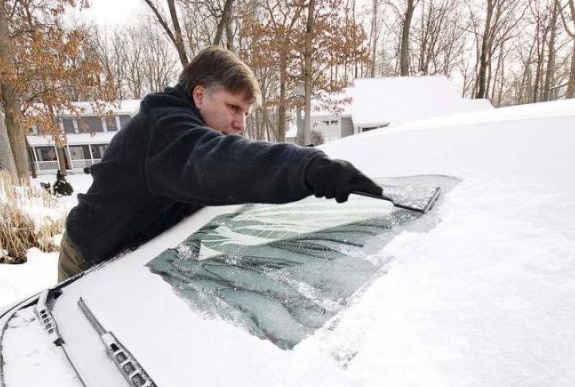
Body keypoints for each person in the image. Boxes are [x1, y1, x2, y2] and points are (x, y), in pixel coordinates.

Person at [58, 46, 382, 281]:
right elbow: (219, 162)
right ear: (199, 95)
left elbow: (227, 174)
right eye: (233, 107)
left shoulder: (179, 129)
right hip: (89, 258)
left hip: (129, 254)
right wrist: (308, 169)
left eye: (245, 113)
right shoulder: (166, 129)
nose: (240, 123)